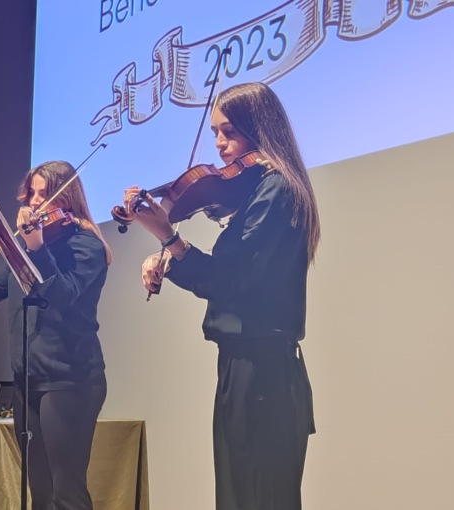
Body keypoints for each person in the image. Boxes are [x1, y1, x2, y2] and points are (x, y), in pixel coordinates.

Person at [125, 82, 320, 510]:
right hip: (243, 366)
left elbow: (231, 279)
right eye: (215, 132)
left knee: (260, 499)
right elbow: (232, 275)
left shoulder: (278, 189)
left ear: (260, 129)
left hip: (263, 372)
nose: (218, 144)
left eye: (229, 132)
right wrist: (170, 254)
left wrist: (170, 239)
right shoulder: (258, 189)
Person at [0, 161, 111, 510]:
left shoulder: (86, 246)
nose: (35, 201)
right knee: (41, 495)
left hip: (70, 380)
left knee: (66, 493)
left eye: (45, 193)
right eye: (31, 193)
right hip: (27, 381)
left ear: (68, 198)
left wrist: (38, 248)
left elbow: (60, 295)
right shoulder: (22, 247)